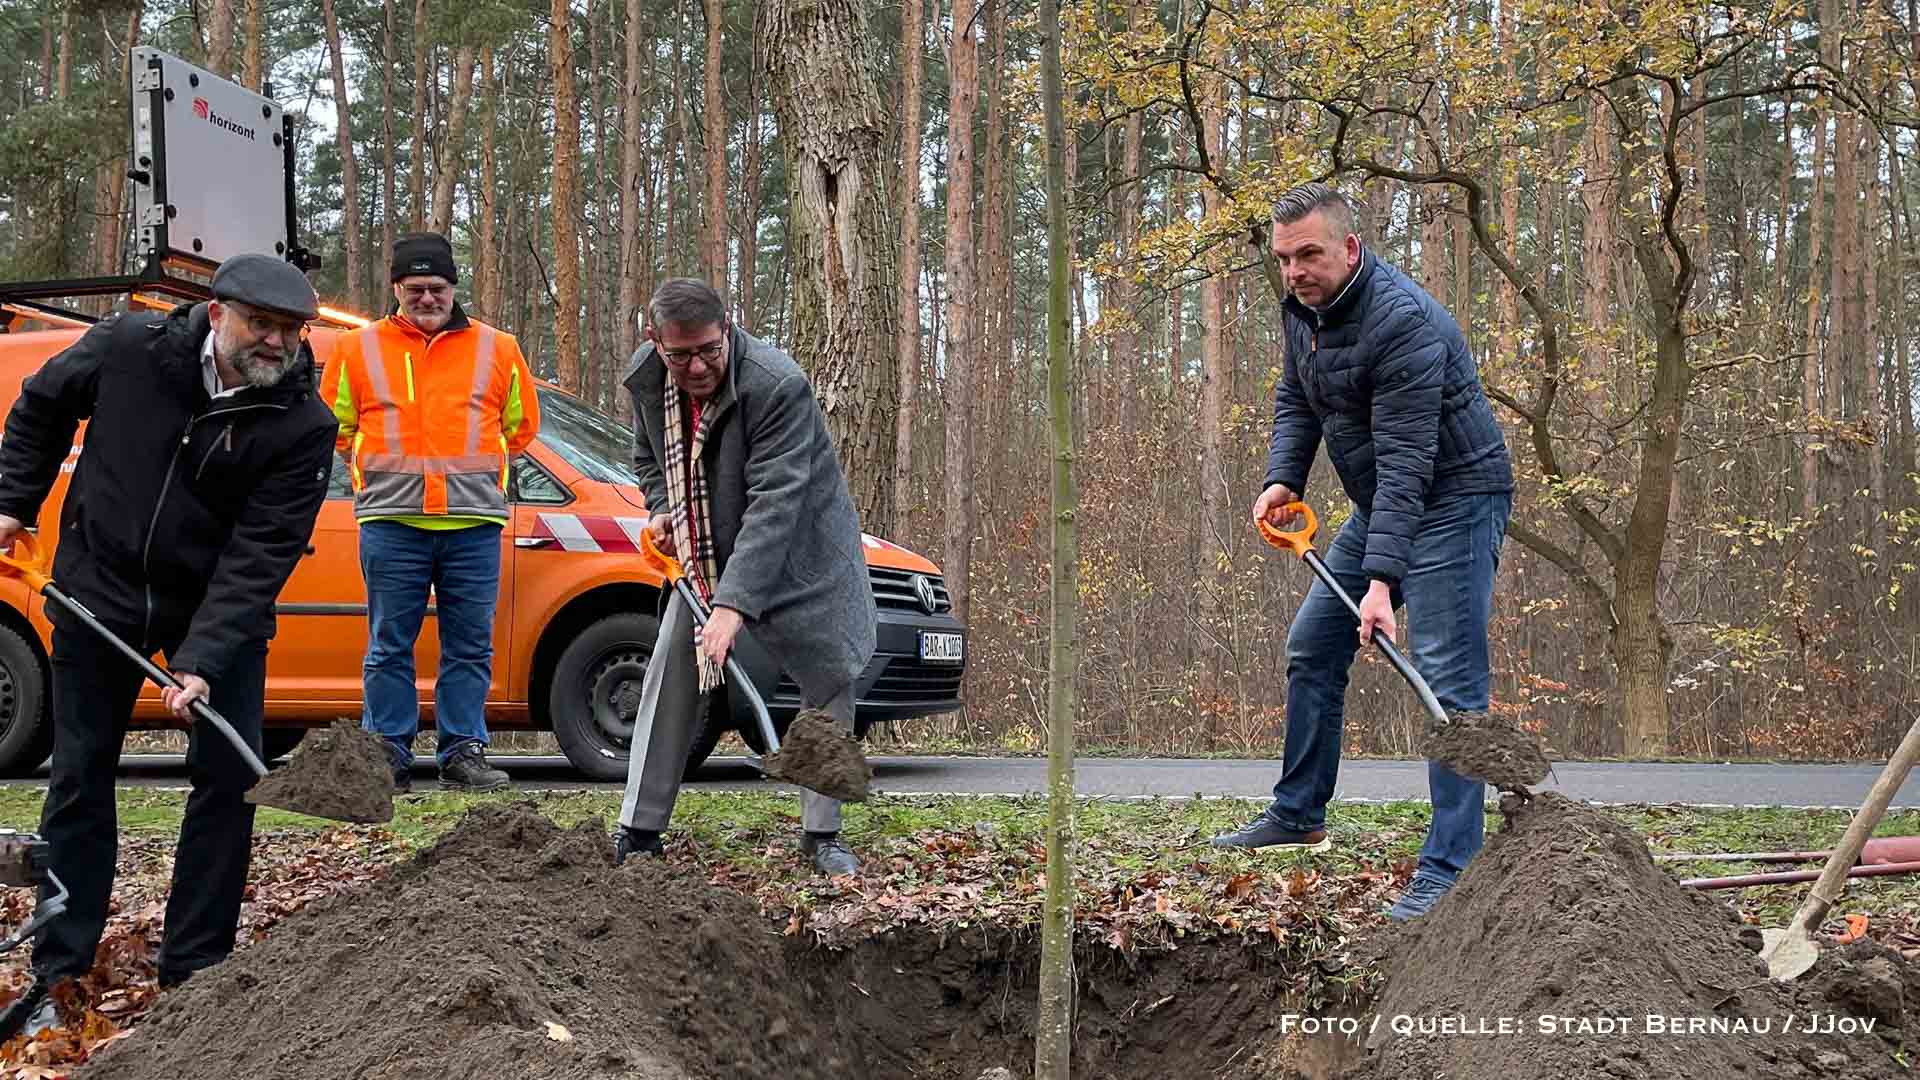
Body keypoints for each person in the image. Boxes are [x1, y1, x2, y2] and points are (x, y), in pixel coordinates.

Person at [0, 254, 338, 1036]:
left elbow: (263, 554)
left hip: (211, 605)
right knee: (80, 777)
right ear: (217, 314)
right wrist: (14, 500)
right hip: (100, 591)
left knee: (228, 782)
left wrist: (203, 660)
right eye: (263, 324)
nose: (277, 343)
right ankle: (61, 967)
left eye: (291, 331)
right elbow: (41, 405)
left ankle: (196, 973)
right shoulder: (126, 349)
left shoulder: (301, 423)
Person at [1210, 183, 1515, 922]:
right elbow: (1296, 397)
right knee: (1312, 646)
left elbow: (1410, 459)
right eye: (1283, 259)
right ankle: (1298, 813)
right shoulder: (1304, 312)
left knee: (1446, 680)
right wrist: (1283, 476)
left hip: (1455, 498)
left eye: (1308, 254)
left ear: (1351, 248)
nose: (1294, 271)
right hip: (1389, 503)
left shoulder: (1401, 321)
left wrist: (1381, 581)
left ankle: (1450, 870)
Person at [611, 278, 875, 877]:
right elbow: (648, 460)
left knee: (829, 672)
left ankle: (822, 836)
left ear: (727, 329)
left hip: (804, 547)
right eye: (681, 355)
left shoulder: (776, 385)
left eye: (709, 349)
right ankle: (640, 829)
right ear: (657, 344)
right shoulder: (650, 380)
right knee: (671, 667)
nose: (697, 365)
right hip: (707, 550)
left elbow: (776, 504)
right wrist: (662, 510)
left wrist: (733, 607)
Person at [319, 232, 539, 794]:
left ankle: (463, 749)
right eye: (414, 288)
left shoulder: (499, 348)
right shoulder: (356, 349)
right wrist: (381, 471)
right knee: (389, 642)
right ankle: (388, 752)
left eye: (436, 287)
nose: (426, 298)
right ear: (395, 287)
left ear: (452, 288)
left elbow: (521, 428)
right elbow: (335, 427)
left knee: (470, 644)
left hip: (473, 523)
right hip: (391, 522)